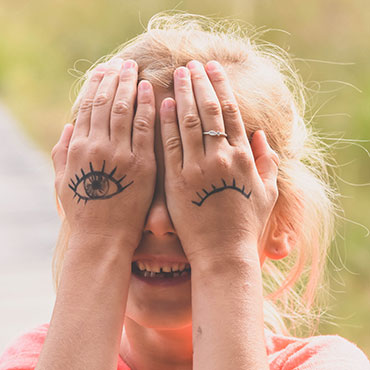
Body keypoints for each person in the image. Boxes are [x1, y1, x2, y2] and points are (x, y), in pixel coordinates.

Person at [1, 12, 369, 370]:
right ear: (73, 203)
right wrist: (99, 241)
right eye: (130, 190)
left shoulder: (324, 363)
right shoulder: (33, 359)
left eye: (206, 185)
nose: (159, 221)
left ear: (283, 221)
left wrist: (222, 257)